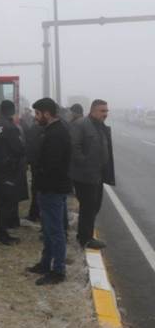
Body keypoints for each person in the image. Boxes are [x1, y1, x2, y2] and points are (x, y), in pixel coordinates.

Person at [27, 98, 72, 285]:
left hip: (52, 189)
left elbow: (51, 165)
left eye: (37, 113)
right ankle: (45, 263)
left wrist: (38, 171)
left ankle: (58, 271)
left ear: (47, 113)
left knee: (55, 232)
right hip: (49, 188)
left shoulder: (56, 134)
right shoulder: (53, 130)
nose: (35, 117)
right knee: (48, 230)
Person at [70, 99, 115, 249]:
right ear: (93, 111)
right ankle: (85, 238)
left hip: (97, 174)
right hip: (85, 175)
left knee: (95, 206)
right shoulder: (82, 124)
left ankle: (85, 234)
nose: (105, 114)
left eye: (107, 111)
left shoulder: (100, 126)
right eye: (102, 111)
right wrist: (85, 163)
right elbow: (74, 147)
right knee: (88, 207)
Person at [0, 100, 26, 245]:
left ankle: (1, 233)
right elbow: (19, 149)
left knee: (1, 203)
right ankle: (1, 235)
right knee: (6, 204)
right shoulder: (11, 128)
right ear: (12, 111)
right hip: (9, 170)